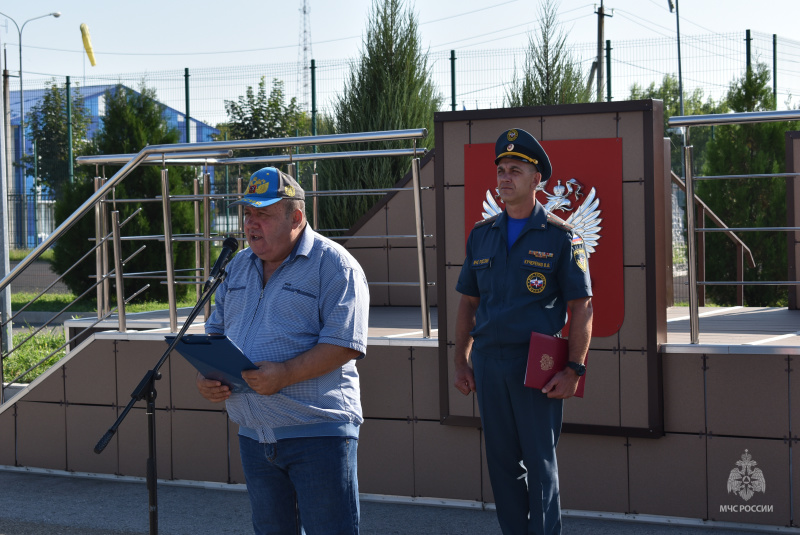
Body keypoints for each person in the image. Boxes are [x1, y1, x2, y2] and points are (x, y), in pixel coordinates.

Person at [196, 166, 370, 535]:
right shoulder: (238, 266)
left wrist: (286, 374)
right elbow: (215, 332)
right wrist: (208, 376)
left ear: (296, 217)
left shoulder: (335, 265)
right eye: (248, 214)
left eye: (264, 214)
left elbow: (345, 344)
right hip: (255, 436)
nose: (251, 224)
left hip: (318, 433)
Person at [453, 128, 593, 535]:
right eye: (500, 170)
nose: (504, 178)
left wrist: (575, 369)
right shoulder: (482, 235)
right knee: (501, 465)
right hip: (489, 364)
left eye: (515, 170)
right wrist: (461, 359)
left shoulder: (561, 236)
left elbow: (582, 306)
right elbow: (468, 303)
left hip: (537, 365)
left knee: (540, 463)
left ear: (537, 180)